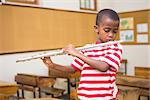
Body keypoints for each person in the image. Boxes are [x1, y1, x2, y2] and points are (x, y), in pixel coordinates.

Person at [41, 9, 123, 100]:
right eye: (107, 30)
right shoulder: (87, 49)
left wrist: (76, 53)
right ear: (96, 29)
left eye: (115, 31)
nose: (111, 35)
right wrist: (52, 65)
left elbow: (103, 67)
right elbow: (72, 69)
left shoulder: (115, 47)